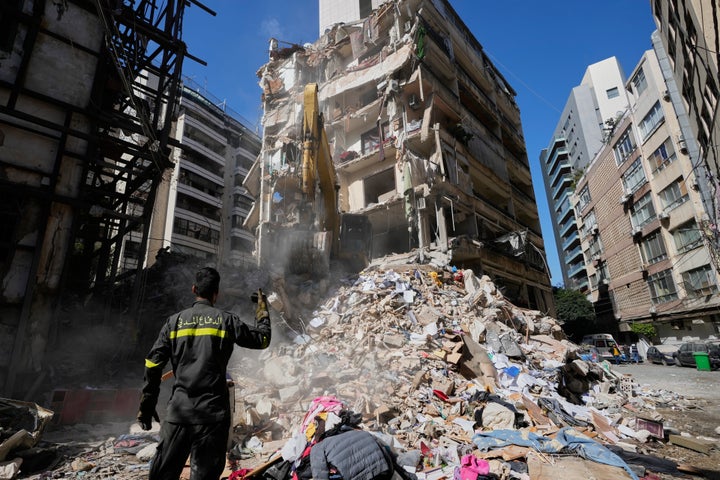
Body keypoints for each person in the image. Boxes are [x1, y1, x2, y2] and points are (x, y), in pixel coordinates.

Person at [137, 267, 271, 480]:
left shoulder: (174, 322)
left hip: (178, 414)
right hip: (212, 416)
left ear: (194, 289)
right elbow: (262, 340)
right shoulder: (226, 321)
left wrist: (147, 405)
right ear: (216, 293)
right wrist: (262, 308)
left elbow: (152, 364)